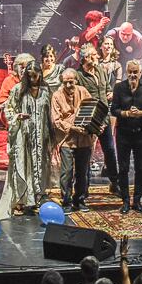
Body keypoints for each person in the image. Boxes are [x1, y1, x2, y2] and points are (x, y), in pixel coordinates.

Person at [0, 60, 52, 219]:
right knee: (22, 165)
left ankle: (35, 200)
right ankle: (19, 201)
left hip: (40, 134)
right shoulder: (18, 90)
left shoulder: (45, 91)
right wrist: (17, 117)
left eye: (35, 76)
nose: (33, 79)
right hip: (22, 134)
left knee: (38, 166)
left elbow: (49, 113)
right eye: (30, 76)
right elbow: (8, 109)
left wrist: (49, 134)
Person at [111, 60, 142, 213]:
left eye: (135, 72)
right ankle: (125, 200)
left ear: (139, 72)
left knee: (141, 168)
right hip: (123, 134)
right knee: (123, 168)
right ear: (126, 72)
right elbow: (113, 109)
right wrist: (125, 113)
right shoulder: (119, 87)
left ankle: (137, 201)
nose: (132, 75)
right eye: (130, 72)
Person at [75, 44, 120, 194]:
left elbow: (106, 86)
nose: (97, 56)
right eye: (94, 55)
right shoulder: (78, 75)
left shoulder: (100, 69)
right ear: (86, 58)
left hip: (104, 116)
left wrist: (109, 92)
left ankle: (115, 182)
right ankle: (84, 188)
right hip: (89, 118)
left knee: (110, 150)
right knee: (87, 152)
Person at [51, 69, 96, 212]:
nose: (69, 85)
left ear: (76, 80)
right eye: (66, 82)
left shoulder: (83, 91)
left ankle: (80, 200)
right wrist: (73, 128)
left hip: (84, 139)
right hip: (67, 139)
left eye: (71, 81)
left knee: (82, 172)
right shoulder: (57, 96)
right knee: (67, 172)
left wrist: (94, 127)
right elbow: (56, 121)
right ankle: (66, 201)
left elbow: (93, 109)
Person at [0, 52, 34, 125]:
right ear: (16, 67)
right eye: (22, 67)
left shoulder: (35, 79)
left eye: (27, 67)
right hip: (15, 118)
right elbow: (2, 101)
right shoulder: (9, 81)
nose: (24, 71)